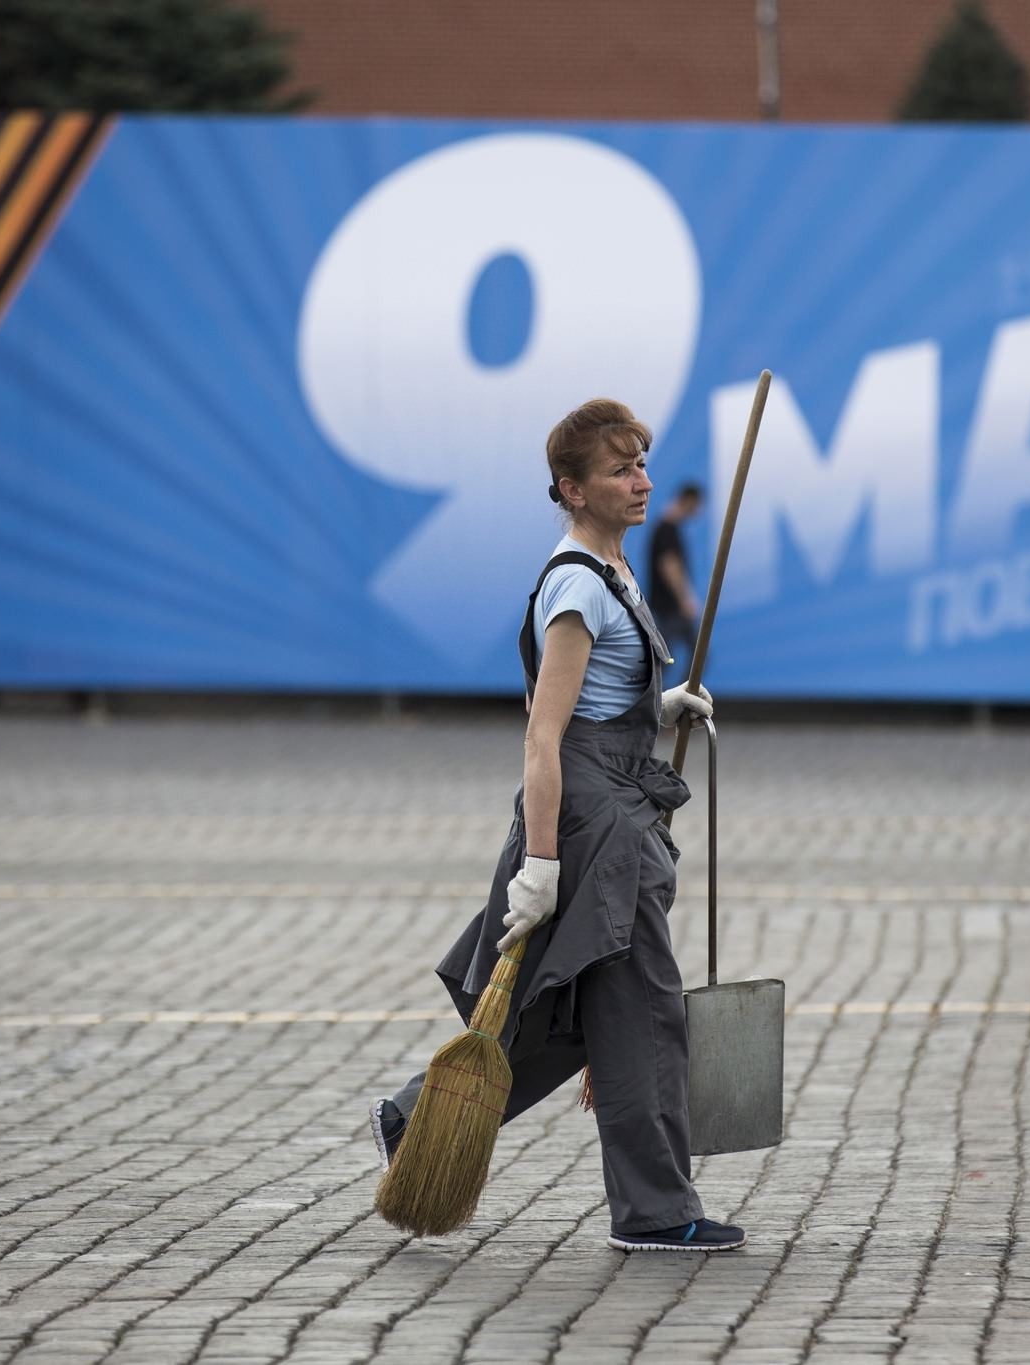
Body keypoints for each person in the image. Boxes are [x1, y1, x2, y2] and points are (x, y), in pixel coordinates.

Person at [369, 399, 744, 1254]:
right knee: (645, 1011)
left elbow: (602, 708)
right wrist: (540, 864)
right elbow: (545, 732)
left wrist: (660, 704)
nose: (642, 481)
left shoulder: (614, 568)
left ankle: (413, 1122)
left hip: (611, 798)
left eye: (644, 462)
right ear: (573, 490)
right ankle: (655, 1211)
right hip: (589, 821)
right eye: (621, 470)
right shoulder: (577, 585)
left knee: (566, 1018)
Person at [647, 482, 705, 685]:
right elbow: (669, 565)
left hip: (669, 606)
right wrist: (685, 599)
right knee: (687, 655)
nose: (698, 511)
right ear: (688, 501)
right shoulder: (667, 529)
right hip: (670, 608)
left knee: (685, 654)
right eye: (697, 505)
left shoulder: (668, 527)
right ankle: (677, 701)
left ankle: (677, 699)